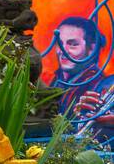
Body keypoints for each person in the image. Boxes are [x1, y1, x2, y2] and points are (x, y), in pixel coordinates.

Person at [47, 16, 114, 145]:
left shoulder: (103, 86)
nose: (62, 51)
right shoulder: (57, 81)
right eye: (59, 43)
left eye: (73, 44)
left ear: (92, 48)